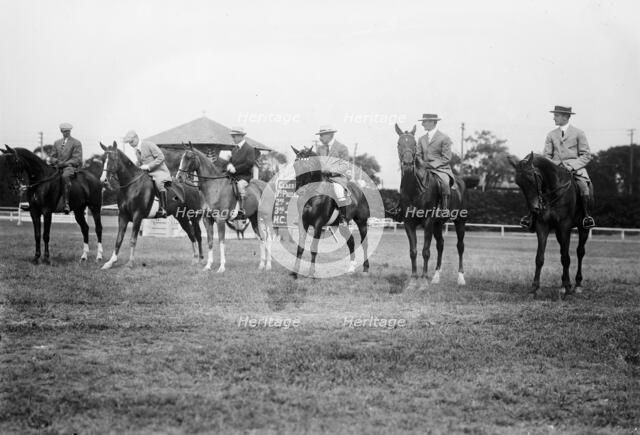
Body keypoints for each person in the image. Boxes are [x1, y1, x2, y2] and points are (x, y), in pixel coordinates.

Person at [520, 106, 595, 230]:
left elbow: (586, 155)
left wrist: (571, 166)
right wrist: (553, 166)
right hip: (554, 169)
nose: (554, 118)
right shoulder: (551, 134)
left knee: (583, 187)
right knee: (536, 186)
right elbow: (546, 156)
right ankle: (530, 217)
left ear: (565, 117)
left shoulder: (579, 133)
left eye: (556, 115)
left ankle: (586, 216)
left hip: (575, 168)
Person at [122, 130, 171, 218]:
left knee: (159, 182)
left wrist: (149, 166)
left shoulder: (149, 144)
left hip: (159, 171)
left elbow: (161, 157)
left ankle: (163, 209)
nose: (131, 144)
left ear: (136, 138)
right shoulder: (136, 151)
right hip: (147, 173)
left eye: (132, 142)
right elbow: (141, 163)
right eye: (129, 143)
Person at [416, 113, 455, 212]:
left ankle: (444, 208)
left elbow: (446, 158)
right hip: (424, 168)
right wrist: (421, 163)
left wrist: (432, 165)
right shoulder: (421, 139)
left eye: (424, 122)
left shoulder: (444, 138)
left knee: (445, 183)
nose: (423, 124)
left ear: (433, 122)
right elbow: (418, 154)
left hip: (441, 169)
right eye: (423, 122)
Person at [316, 125, 351, 223]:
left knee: (338, 190)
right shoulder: (319, 149)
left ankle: (343, 217)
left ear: (330, 135)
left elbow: (345, 165)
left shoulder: (342, 148)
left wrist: (331, 170)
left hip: (337, 178)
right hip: (323, 178)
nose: (320, 138)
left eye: (322, 135)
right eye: (320, 135)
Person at [47, 122, 83, 214]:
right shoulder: (57, 142)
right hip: (57, 167)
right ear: (61, 131)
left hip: (69, 168)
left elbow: (77, 158)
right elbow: (52, 156)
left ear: (70, 131)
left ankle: (66, 203)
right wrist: (56, 161)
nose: (66, 133)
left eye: (68, 131)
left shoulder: (76, 143)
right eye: (64, 131)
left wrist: (65, 163)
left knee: (64, 176)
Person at [226, 127, 256, 220]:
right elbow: (231, 161)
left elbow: (249, 163)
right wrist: (229, 165)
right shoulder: (234, 149)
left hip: (244, 176)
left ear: (241, 136)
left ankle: (241, 210)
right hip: (233, 176)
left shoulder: (249, 149)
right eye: (232, 136)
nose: (233, 138)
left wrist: (236, 169)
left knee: (240, 186)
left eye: (234, 136)